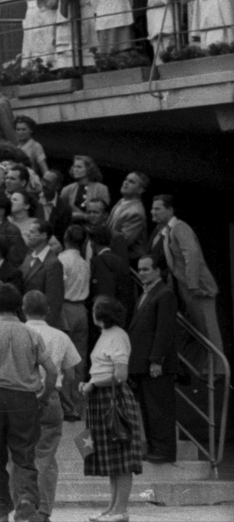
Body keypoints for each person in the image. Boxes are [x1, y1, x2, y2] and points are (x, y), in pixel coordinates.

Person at [0, 282, 57, 522]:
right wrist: (44, 396)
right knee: (24, 454)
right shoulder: (32, 334)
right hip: (24, 399)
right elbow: (52, 371)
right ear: (18, 307)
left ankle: (2, 513)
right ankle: (26, 499)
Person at [83, 296, 148, 522]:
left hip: (114, 399)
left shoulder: (118, 336)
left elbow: (121, 375)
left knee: (121, 457)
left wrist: (93, 384)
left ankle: (121, 510)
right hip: (102, 397)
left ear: (101, 314)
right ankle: (112, 508)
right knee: (112, 459)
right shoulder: (105, 334)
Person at [21, 291, 82, 522]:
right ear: (47, 310)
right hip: (50, 396)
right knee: (45, 455)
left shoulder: (16, 333)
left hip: (20, 397)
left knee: (18, 453)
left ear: (23, 310)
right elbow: (71, 374)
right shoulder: (60, 336)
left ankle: (24, 503)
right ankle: (43, 511)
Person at [148, 193, 223, 377]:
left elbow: (192, 255)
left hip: (197, 289)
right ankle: (206, 369)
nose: (153, 212)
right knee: (199, 330)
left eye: (158, 208)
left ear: (170, 210)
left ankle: (217, 370)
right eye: (152, 208)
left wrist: (193, 284)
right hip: (186, 288)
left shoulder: (180, 228)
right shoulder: (167, 231)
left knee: (208, 329)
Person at [128, 255, 179, 463]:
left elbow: (164, 329)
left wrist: (157, 360)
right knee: (149, 409)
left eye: (146, 269)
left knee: (159, 409)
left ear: (157, 271)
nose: (141, 273)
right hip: (143, 363)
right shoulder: (146, 293)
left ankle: (164, 450)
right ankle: (153, 447)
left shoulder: (164, 294)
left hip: (155, 364)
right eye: (139, 269)